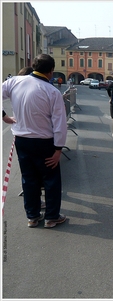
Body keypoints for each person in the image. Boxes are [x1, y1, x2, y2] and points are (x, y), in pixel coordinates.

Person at [2, 54, 68, 228]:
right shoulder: (52, 91)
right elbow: (60, 124)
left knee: (29, 178)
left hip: (22, 140)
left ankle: (32, 216)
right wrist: (58, 149)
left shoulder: (14, 81)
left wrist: (4, 116)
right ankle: (51, 217)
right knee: (51, 180)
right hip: (44, 142)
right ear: (51, 71)